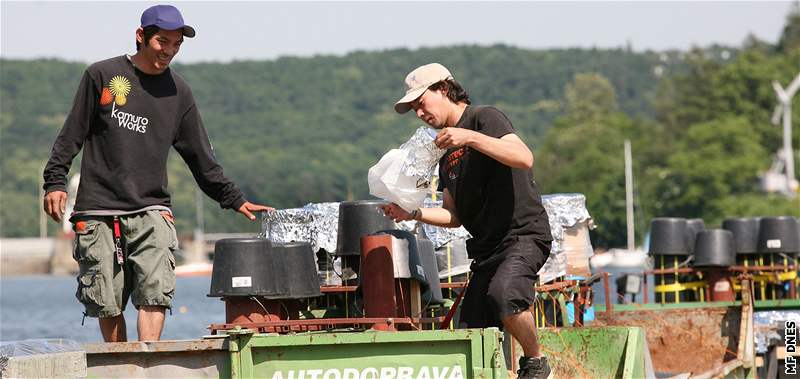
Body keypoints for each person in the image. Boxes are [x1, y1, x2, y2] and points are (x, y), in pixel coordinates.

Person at [42, 5, 272, 342]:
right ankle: (121, 366)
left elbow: (201, 157)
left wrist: (234, 199)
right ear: (141, 37)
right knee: (105, 299)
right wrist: (55, 181)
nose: (169, 51)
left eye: (176, 44)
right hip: (98, 208)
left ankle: (148, 361)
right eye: (162, 42)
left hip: (152, 208)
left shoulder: (179, 92)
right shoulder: (101, 75)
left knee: (155, 291)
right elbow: (71, 134)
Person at [381, 63, 554, 379]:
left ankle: (536, 362)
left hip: (523, 236)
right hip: (487, 251)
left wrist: (471, 137)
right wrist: (413, 213)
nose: (419, 113)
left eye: (422, 103)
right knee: (468, 334)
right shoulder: (445, 154)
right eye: (414, 109)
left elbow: (524, 157)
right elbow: (454, 215)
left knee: (505, 295)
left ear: (444, 89)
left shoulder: (485, 118)